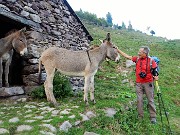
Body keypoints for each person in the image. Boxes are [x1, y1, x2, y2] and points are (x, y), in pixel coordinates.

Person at [117, 46, 159, 124]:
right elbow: (127, 56)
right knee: (139, 100)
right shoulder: (137, 59)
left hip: (148, 83)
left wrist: (156, 77)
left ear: (145, 53)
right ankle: (140, 116)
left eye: (140, 52)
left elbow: (155, 71)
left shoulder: (151, 61)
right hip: (138, 83)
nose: (138, 53)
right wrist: (118, 50)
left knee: (150, 100)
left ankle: (153, 117)